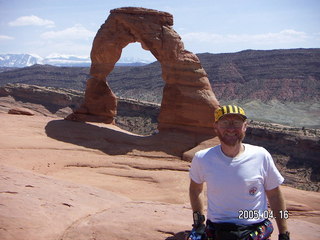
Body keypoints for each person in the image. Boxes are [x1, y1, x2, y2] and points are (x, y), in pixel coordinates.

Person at [189, 105, 290, 240]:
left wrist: (284, 234)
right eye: (225, 123)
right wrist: (198, 223)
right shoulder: (202, 158)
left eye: (236, 123)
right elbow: (195, 190)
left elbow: (275, 195)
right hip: (217, 229)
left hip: (255, 229)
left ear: (245, 126)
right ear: (216, 127)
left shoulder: (261, 155)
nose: (231, 128)